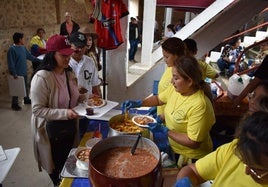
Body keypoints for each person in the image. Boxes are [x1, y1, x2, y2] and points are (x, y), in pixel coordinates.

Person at [121, 56, 215, 167]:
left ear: (189, 81)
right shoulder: (177, 89)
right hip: (174, 147)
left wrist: (165, 131)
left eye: (176, 78)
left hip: (193, 158)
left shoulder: (200, 105)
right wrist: (139, 103)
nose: (171, 81)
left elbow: (193, 142)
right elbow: (158, 99)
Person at [30, 34, 84, 186]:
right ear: (51, 54)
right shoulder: (42, 78)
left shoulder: (68, 72)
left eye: (69, 54)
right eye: (63, 55)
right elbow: (37, 110)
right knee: (57, 168)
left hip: (69, 128)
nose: (68, 58)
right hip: (51, 132)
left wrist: (83, 97)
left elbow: (72, 97)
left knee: (69, 162)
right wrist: (65, 113)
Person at [176, 111, 268, 187]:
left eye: (256, 170)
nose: (246, 172)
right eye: (244, 162)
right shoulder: (234, 149)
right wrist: (183, 184)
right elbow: (193, 171)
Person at [7, 32, 42, 111]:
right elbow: (11, 63)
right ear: (19, 39)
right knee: (16, 89)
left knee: (26, 86)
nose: (24, 40)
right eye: (23, 38)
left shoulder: (23, 48)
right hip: (17, 73)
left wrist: (39, 60)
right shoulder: (12, 50)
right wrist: (14, 73)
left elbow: (29, 56)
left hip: (24, 71)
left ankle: (26, 99)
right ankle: (14, 104)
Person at [156, 37, 186, 117]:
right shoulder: (170, 68)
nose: (164, 60)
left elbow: (180, 101)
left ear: (176, 56)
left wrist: (164, 116)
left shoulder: (182, 73)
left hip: (171, 118)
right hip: (163, 113)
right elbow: (164, 95)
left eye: (166, 57)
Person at [68, 31, 102, 97]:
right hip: (70, 104)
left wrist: (100, 101)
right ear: (70, 46)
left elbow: (95, 85)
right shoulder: (66, 63)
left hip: (88, 103)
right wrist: (75, 88)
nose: (80, 50)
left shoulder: (89, 62)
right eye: (77, 46)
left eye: (82, 47)